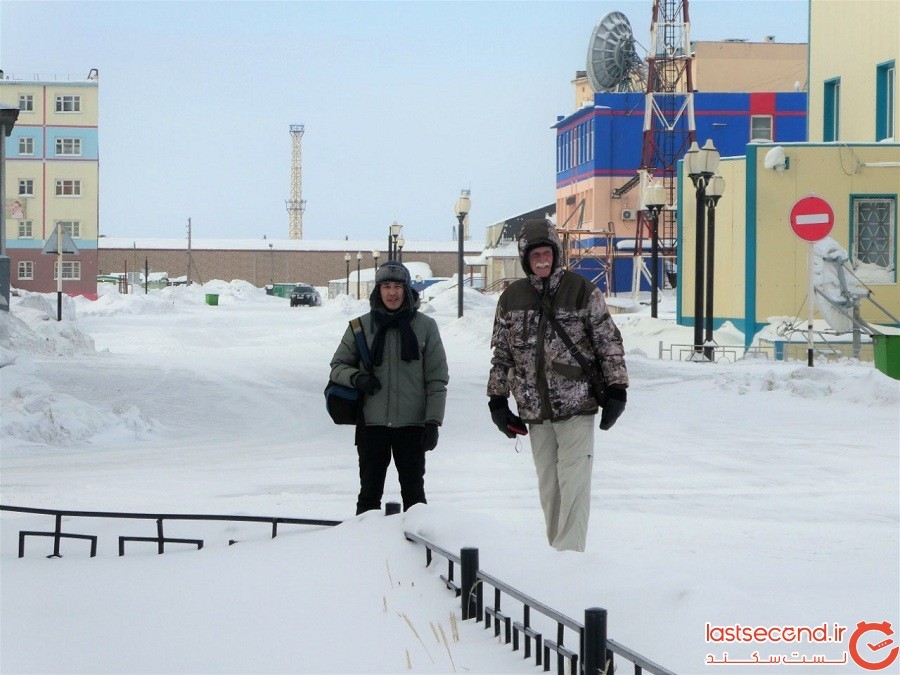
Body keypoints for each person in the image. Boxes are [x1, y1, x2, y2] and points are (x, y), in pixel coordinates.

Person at [486, 219, 628, 552]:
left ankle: (570, 560)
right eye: (535, 255)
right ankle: (557, 556)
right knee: (550, 489)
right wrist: (497, 401)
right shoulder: (511, 298)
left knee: (574, 484)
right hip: (535, 411)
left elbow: (608, 342)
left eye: (547, 253)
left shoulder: (581, 291)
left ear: (556, 253)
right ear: (526, 258)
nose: (542, 260)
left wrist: (617, 390)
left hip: (576, 405)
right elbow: (502, 354)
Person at [330, 261, 449, 515]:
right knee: (368, 497)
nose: (392, 292)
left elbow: (437, 379)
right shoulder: (360, 327)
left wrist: (433, 422)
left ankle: (415, 540)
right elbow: (337, 367)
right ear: (378, 291)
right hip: (372, 426)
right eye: (386, 286)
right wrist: (357, 378)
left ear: (407, 290)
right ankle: (365, 540)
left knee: (415, 498)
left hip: (412, 426)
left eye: (397, 286)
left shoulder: (426, 327)